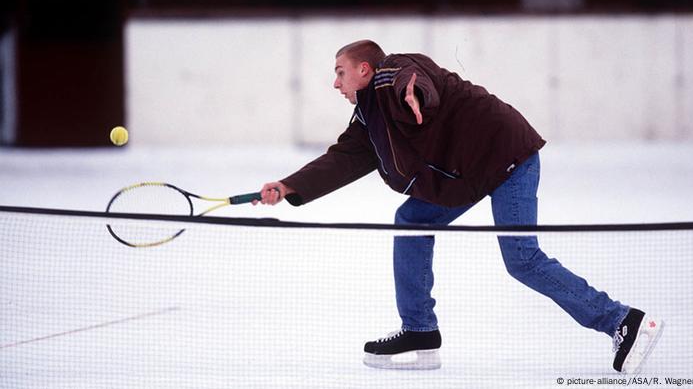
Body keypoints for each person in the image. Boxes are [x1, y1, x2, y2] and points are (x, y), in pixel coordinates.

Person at [254, 40, 663, 373]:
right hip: (469, 173)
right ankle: (419, 330)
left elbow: (414, 79)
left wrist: (414, 94)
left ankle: (622, 321)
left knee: (521, 258)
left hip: (507, 158)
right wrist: (289, 186)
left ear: (364, 69)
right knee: (411, 220)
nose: (335, 82)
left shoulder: (392, 74)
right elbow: (343, 159)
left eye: (340, 72)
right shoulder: (369, 117)